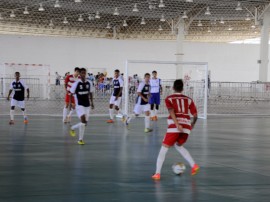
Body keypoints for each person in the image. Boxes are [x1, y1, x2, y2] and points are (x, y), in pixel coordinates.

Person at [152, 79, 199, 180]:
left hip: (175, 127)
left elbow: (171, 111)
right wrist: (192, 124)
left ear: (173, 88)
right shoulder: (189, 99)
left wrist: (177, 124)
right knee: (178, 146)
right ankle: (194, 165)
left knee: (163, 150)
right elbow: (195, 115)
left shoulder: (169, 98)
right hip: (186, 127)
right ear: (182, 88)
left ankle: (157, 173)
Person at [69, 68, 94, 145]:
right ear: (80, 74)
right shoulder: (76, 83)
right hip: (79, 104)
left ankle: (74, 130)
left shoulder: (89, 83)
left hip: (87, 104)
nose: (83, 74)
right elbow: (71, 93)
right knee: (83, 121)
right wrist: (71, 103)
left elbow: (90, 93)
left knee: (84, 124)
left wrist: (92, 102)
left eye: (84, 73)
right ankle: (79, 139)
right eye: (82, 73)